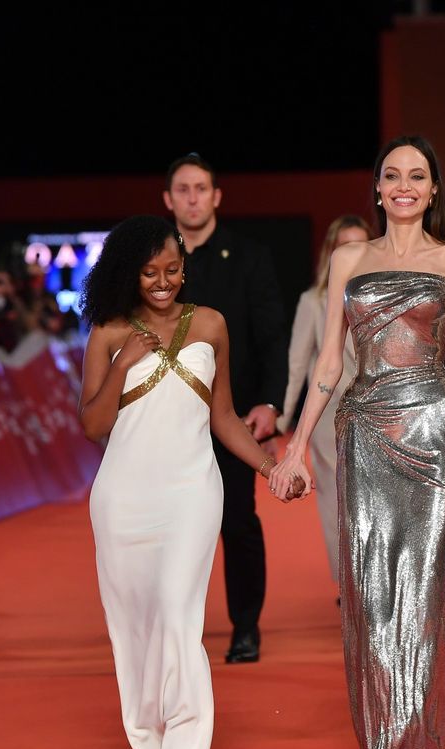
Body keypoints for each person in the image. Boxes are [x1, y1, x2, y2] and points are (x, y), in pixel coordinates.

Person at [269, 136, 445, 749]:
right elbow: (326, 367)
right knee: (372, 596)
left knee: (425, 594)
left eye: (418, 176)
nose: (404, 186)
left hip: (432, 432)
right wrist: (294, 449)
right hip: (363, 433)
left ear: (434, 190)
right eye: (392, 176)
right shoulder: (350, 258)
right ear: (376, 188)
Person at [78, 215, 291, 749]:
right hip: (122, 499)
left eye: (173, 269)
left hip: (193, 492)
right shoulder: (108, 331)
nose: (164, 281)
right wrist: (123, 362)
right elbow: (93, 426)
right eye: (150, 272)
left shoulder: (212, 324)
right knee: (135, 636)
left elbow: (223, 417)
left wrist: (269, 468)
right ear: (128, 273)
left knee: (178, 618)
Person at [164, 153, 288, 664]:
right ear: (168, 200)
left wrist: (270, 402)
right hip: (167, 419)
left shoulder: (249, 257)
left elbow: (271, 336)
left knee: (237, 521)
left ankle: (245, 627)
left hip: (232, 417)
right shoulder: (154, 261)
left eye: (201, 188)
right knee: (171, 528)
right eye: (183, 189)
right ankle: (175, 630)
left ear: (216, 196)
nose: (192, 197)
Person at [278, 215, 371, 589]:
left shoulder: (387, 294)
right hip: (330, 416)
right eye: (343, 246)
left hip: (380, 412)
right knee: (337, 503)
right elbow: (298, 364)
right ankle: (348, 586)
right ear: (330, 253)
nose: (352, 255)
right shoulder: (312, 301)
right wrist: (282, 420)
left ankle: (377, 582)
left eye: (360, 246)